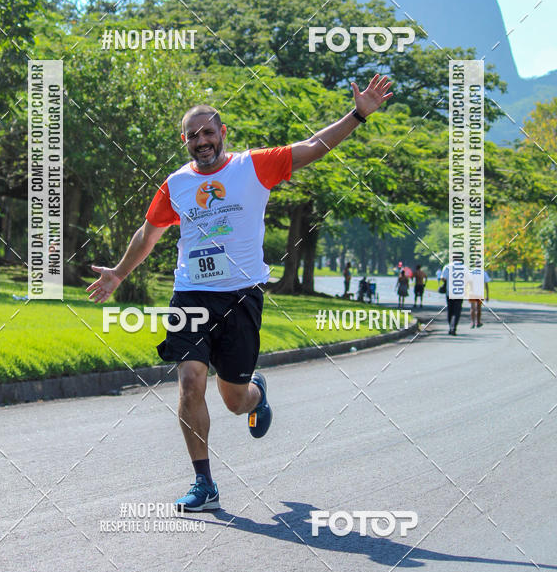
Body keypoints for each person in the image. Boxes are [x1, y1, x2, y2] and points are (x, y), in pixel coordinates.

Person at [87, 74, 393, 511]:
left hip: (241, 295)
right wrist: (118, 272)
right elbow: (148, 233)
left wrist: (358, 115)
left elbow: (312, 147)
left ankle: (256, 393)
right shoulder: (176, 184)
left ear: (222, 133)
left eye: (208, 132)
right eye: (193, 136)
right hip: (191, 294)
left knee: (234, 400)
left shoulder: (254, 166)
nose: (201, 141)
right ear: (185, 141)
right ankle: (204, 484)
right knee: (191, 382)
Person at [440, 261, 463, 335]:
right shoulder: (463, 267)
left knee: (450, 310)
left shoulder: (447, 267)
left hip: (449, 292)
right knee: (457, 311)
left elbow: (443, 278)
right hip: (459, 292)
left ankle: (451, 327)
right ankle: (454, 327)